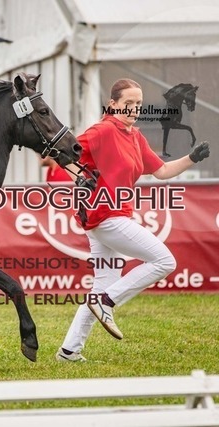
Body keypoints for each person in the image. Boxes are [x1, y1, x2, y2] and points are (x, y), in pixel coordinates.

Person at [56, 78, 210, 362]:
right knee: (164, 261)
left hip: (110, 217)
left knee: (103, 284)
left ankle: (69, 351)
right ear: (112, 104)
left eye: (138, 104)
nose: (134, 109)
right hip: (105, 215)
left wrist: (191, 158)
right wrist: (79, 178)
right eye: (128, 103)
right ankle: (106, 302)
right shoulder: (103, 130)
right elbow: (65, 154)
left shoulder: (135, 137)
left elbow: (161, 171)